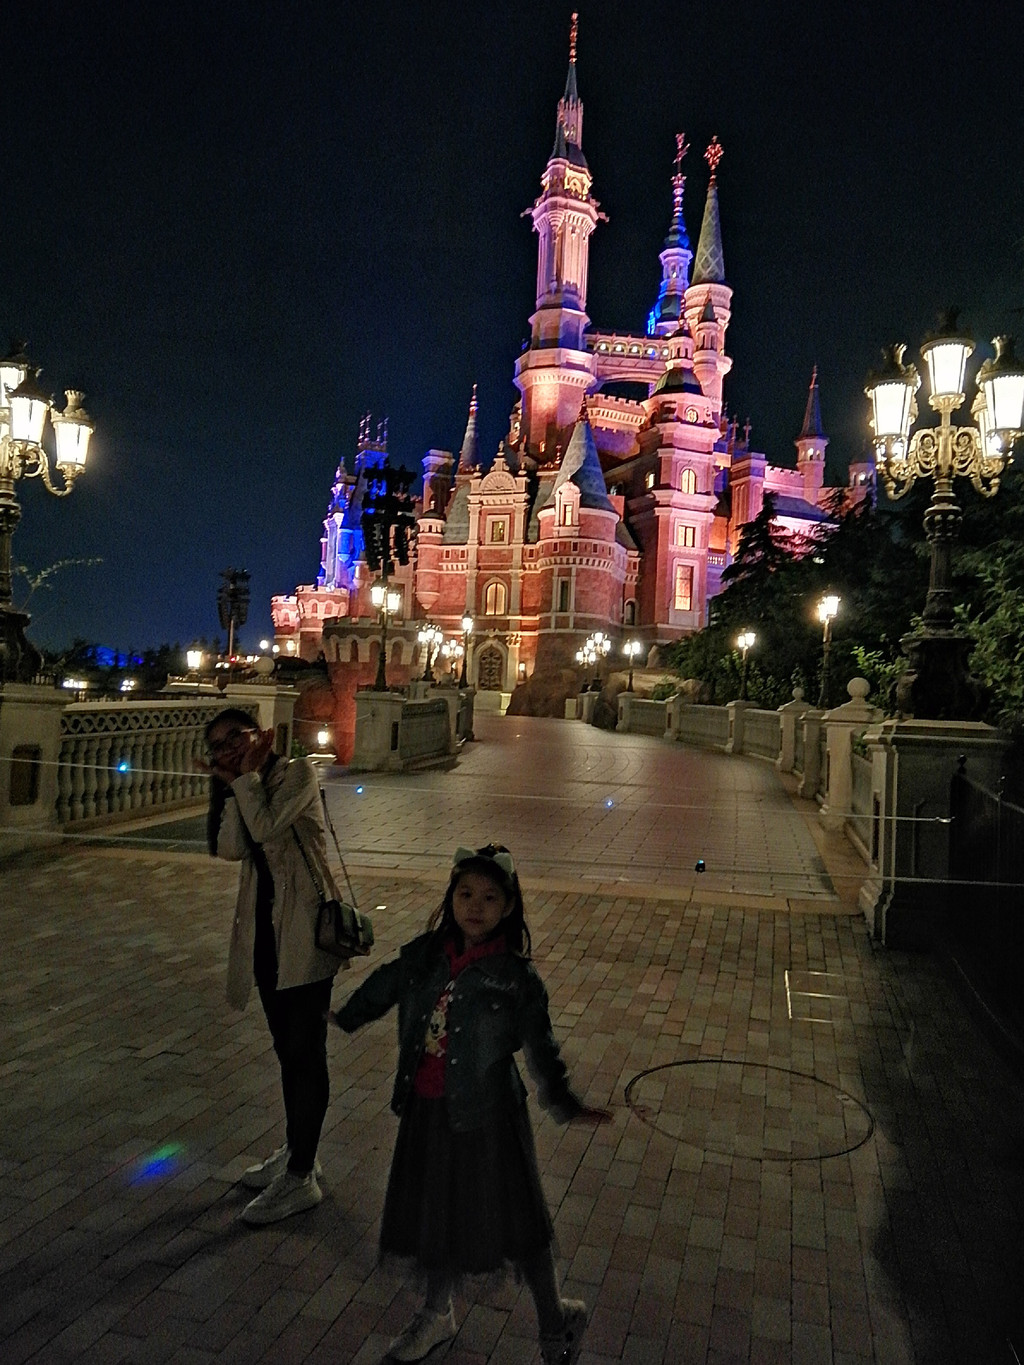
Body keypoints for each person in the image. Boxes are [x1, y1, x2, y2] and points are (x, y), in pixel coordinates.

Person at [331, 843, 610, 1365]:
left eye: (489, 897)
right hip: (428, 1112)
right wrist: (343, 1015)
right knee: (434, 1218)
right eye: (465, 894)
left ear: (508, 906)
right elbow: (386, 983)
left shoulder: (516, 978)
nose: (474, 906)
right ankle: (436, 1314)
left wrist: (566, 1102)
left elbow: (542, 1049)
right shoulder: (427, 955)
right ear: (450, 898)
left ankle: (555, 1324)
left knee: (521, 1227)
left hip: (489, 1120)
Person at [202, 707, 344, 1226]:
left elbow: (265, 827)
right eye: (218, 745)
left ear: (259, 734)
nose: (229, 749)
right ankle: (298, 1150)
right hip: (266, 936)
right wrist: (226, 788)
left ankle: (302, 1176)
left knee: (306, 1052)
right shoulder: (246, 785)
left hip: (305, 934)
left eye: (235, 737)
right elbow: (229, 847)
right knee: (288, 1052)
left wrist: (243, 781)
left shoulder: (297, 774)